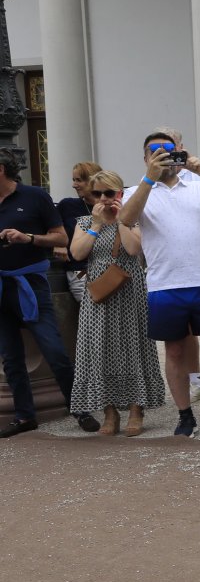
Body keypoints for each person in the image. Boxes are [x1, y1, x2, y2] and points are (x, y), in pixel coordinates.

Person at [116, 130, 200, 439]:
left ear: (180, 152)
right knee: (174, 351)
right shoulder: (138, 190)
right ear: (146, 158)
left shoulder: (199, 186)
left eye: (169, 152)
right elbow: (126, 218)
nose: (164, 158)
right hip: (164, 286)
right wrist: (149, 179)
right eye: (155, 153)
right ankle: (185, 415)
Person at [0, 146, 96, 437]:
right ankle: (25, 416)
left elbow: (61, 238)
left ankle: (79, 408)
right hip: (1, 287)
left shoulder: (34, 197)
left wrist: (27, 238)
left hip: (30, 284)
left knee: (54, 350)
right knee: (10, 358)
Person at [66, 170, 164, 436]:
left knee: (133, 346)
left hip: (130, 291)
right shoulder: (84, 222)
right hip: (98, 295)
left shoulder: (133, 220)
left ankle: (136, 409)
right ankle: (109, 412)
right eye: (97, 193)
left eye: (109, 193)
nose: (103, 199)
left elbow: (133, 250)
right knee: (99, 349)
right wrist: (97, 224)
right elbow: (77, 253)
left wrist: (121, 220)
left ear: (120, 193)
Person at [56, 161, 100, 303]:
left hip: (112, 270)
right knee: (92, 309)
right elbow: (51, 229)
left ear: (92, 180)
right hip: (81, 271)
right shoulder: (67, 206)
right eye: (74, 180)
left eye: (78, 180)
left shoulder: (112, 206)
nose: (74, 185)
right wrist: (59, 243)